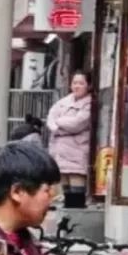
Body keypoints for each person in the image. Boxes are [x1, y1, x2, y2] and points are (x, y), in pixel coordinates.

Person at [46, 71, 92, 208]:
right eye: (74, 83)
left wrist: (59, 122)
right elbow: (50, 119)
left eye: (81, 83)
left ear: (88, 86)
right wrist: (59, 125)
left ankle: (77, 221)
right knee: (65, 192)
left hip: (77, 153)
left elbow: (77, 124)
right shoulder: (63, 102)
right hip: (60, 154)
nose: (77, 86)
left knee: (76, 194)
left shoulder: (89, 103)